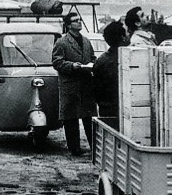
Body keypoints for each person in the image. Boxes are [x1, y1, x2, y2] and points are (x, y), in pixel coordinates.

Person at [52, 11, 96, 156]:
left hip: (86, 84)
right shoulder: (61, 42)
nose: (79, 22)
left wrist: (92, 64)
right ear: (68, 25)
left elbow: (93, 57)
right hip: (70, 85)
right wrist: (72, 66)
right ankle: (74, 149)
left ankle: (95, 147)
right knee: (70, 119)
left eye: (80, 20)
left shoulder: (86, 41)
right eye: (76, 20)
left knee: (89, 117)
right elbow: (57, 62)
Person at [92, 21, 127, 130]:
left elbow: (96, 88)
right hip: (120, 108)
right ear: (123, 37)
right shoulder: (125, 59)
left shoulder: (101, 60)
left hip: (105, 108)